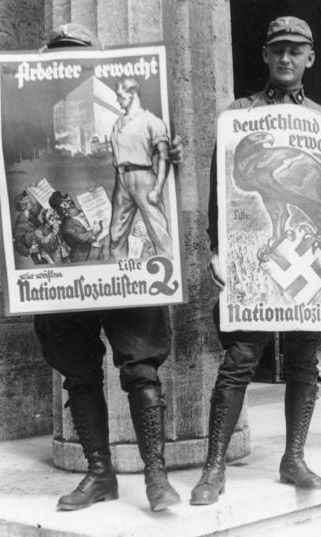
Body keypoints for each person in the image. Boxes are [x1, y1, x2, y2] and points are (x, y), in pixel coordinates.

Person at [193, 16, 321, 503]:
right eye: (277, 49)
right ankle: (214, 467)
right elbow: (220, 188)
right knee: (239, 359)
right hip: (253, 261)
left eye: (296, 50)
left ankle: (293, 456)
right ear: (265, 55)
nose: (285, 58)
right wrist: (217, 247)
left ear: (310, 59)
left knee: (302, 361)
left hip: (307, 260)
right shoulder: (239, 115)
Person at [34, 22, 183, 512]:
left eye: (76, 55)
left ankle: (156, 478)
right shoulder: (24, 103)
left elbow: (150, 158)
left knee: (140, 365)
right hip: (62, 274)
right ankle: (100, 474)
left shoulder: (126, 113)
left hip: (119, 268)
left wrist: (170, 157)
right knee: (77, 371)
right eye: (59, 55)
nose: (67, 62)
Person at [109, 77, 173, 260]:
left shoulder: (151, 121)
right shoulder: (118, 123)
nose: (117, 100)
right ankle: (118, 278)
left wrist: (157, 188)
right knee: (116, 235)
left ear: (132, 94)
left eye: (120, 96)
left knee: (159, 233)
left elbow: (164, 156)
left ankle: (168, 273)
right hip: (121, 180)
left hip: (143, 178)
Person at [50, 191, 103, 262]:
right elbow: (81, 238)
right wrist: (94, 232)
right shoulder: (66, 225)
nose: (70, 202)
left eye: (68, 199)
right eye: (65, 203)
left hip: (98, 251)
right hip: (84, 258)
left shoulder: (83, 212)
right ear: (62, 211)